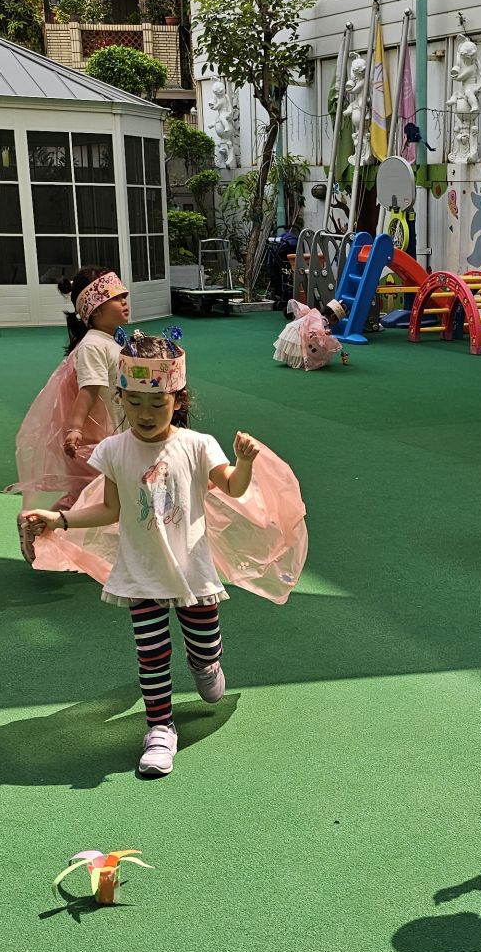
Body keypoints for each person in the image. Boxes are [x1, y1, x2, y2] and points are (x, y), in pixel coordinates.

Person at [19, 332, 308, 780]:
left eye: (157, 403)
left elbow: (233, 487)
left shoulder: (198, 444)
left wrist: (245, 462)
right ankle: (159, 728)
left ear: (178, 399)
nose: (145, 413)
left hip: (192, 571)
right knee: (151, 655)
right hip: (141, 574)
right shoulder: (114, 449)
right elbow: (110, 509)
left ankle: (204, 663)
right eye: (135, 402)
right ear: (120, 399)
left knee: (204, 644)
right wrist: (60, 520)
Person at [11, 268, 130, 557]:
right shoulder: (93, 346)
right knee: (95, 493)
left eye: (124, 295)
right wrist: (75, 429)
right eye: (117, 298)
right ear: (96, 309)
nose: (125, 301)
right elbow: (88, 389)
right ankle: (36, 524)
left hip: (107, 435)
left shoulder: (110, 341)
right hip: (91, 441)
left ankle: (40, 525)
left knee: (93, 493)